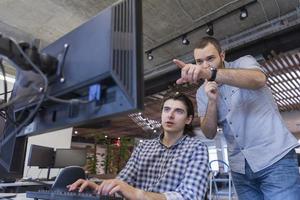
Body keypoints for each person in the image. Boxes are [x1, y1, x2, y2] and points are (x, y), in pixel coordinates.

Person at [173, 36, 300, 200]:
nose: (204, 65)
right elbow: (209, 133)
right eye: (199, 61)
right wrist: (212, 101)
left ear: (222, 55)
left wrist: (211, 74)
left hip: (274, 159)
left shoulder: (244, 63)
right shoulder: (201, 93)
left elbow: (259, 79)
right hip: (240, 169)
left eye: (210, 58)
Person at [68, 92, 209, 200]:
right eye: (166, 109)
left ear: (188, 119)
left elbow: (190, 196)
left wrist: (138, 194)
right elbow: (122, 182)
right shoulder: (143, 147)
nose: (170, 115)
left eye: (178, 111)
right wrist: (99, 188)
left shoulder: (196, 148)